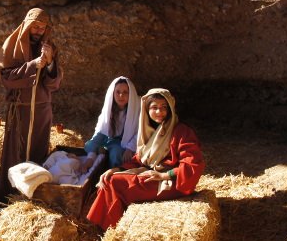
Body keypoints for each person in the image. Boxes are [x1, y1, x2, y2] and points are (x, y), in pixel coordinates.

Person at [86, 88, 205, 230]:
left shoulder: (182, 132)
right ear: (147, 110)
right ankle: (104, 230)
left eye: (163, 108)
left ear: (171, 109)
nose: (159, 112)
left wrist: (163, 175)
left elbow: (193, 165)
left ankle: (109, 230)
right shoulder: (150, 131)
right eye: (154, 108)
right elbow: (140, 159)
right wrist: (116, 169)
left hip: (173, 182)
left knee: (117, 183)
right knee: (108, 179)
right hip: (153, 175)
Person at [0, 8, 63, 203]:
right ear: (27, 25)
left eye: (42, 27)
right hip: (20, 108)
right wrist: (33, 65)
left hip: (42, 109)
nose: (38, 30)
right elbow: (6, 77)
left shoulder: (50, 47)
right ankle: (10, 197)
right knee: (15, 152)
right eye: (35, 26)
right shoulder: (12, 45)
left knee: (38, 151)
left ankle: (35, 197)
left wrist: (50, 62)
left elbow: (53, 84)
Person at [83, 76, 140, 169]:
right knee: (91, 143)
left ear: (131, 94)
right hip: (109, 137)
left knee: (116, 153)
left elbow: (139, 132)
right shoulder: (109, 107)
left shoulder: (137, 108)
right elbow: (101, 130)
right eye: (118, 92)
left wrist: (130, 148)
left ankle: (113, 176)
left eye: (125, 92)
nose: (121, 96)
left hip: (127, 141)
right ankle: (90, 163)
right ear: (113, 93)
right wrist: (91, 156)